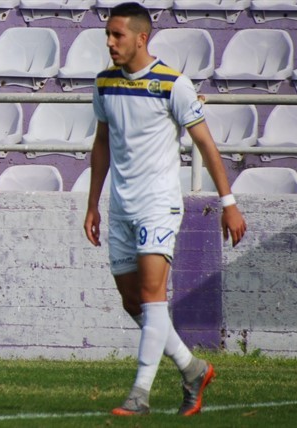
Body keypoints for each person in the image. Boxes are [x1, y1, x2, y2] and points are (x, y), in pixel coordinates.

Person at [83, 2, 246, 417]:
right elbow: (101, 143)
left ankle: (139, 394)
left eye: (117, 35)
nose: (110, 42)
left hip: (158, 205)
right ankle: (193, 369)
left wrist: (228, 203)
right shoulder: (104, 83)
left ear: (141, 38)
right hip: (121, 208)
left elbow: (206, 144)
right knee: (132, 301)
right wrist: (93, 204)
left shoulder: (173, 84)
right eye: (107, 34)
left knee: (153, 296)